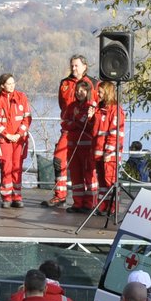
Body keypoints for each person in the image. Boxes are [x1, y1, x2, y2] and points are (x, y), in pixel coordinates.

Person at [47, 54, 96, 207]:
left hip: (86, 131)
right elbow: (63, 106)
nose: (74, 68)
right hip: (69, 129)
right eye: (72, 65)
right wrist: (70, 121)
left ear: (84, 66)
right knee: (58, 160)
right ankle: (60, 195)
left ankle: (88, 202)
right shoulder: (65, 83)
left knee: (86, 167)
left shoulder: (93, 83)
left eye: (77, 65)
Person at [0, 74, 31, 208]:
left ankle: (17, 196)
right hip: (3, 140)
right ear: (2, 85)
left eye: (13, 83)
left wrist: (19, 134)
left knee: (17, 166)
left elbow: (27, 118)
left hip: (19, 139)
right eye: (9, 83)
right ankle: (6, 197)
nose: (12, 86)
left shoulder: (21, 97)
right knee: (6, 166)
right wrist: (7, 134)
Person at [89, 81, 126, 217]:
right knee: (102, 182)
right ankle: (103, 206)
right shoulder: (99, 109)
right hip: (98, 152)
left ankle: (112, 208)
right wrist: (91, 117)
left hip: (109, 155)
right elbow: (94, 130)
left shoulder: (116, 111)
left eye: (100, 92)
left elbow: (115, 133)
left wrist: (109, 152)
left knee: (111, 181)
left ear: (107, 92)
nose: (97, 94)